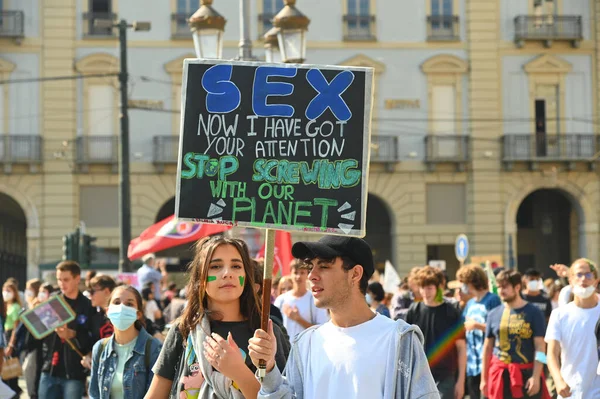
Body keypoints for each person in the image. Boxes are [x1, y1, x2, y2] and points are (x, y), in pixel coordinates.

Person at [248, 236, 439, 399]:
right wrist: (270, 368)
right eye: (311, 267)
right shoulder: (306, 343)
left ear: (355, 273)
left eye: (323, 266)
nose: (311, 276)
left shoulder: (400, 340)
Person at [146, 236, 290, 399]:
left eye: (236, 266)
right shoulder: (184, 330)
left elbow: (282, 394)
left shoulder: (266, 333)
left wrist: (239, 372)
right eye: (215, 266)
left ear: (246, 277)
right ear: (201, 279)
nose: (227, 273)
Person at [480, 270, 549, 399]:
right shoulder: (493, 314)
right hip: (499, 375)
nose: (501, 291)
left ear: (517, 287)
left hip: (527, 376)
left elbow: (541, 347)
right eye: (499, 287)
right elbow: (487, 348)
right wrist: (484, 379)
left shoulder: (534, 312)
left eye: (505, 286)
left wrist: (536, 376)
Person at [89, 285, 162, 399]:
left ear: (138, 314)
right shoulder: (100, 348)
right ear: (107, 311)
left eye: (129, 304)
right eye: (117, 302)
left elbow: (156, 394)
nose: (122, 307)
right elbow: (94, 393)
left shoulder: (153, 347)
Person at [406, 266, 466, 399]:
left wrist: (461, 381)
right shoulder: (413, 310)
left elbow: (461, 348)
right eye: (422, 287)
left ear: (439, 287)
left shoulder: (451, 312)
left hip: (446, 376)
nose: (425, 292)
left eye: (429, 288)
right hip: (419, 375)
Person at [38, 261, 95, 399]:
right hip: (50, 367)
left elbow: (93, 336)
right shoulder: (53, 301)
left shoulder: (87, 305)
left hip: (74, 371)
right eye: (59, 279)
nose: (62, 283)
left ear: (77, 279)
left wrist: (72, 334)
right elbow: (39, 333)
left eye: (66, 279)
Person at [546, 258, 600, 398]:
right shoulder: (559, 315)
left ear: (596, 281)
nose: (583, 279)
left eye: (588, 275)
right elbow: (552, 353)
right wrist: (558, 381)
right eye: (578, 275)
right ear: (570, 280)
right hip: (570, 391)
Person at [456, 264, 501, 399]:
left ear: (472, 282)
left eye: (464, 283)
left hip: (488, 360)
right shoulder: (470, 304)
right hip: (472, 363)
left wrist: (477, 325)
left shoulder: (492, 300)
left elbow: (498, 328)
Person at [274, 259, 329, 340]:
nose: (298, 277)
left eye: (302, 273)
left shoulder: (315, 298)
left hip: (307, 349)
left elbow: (322, 329)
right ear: (291, 274)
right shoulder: (281, 300)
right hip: (286, 350)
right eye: (295, 273)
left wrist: (298, 319)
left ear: (307, 274)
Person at [2, 281, 23, 396]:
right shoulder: (5, 306)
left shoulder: (16, 307)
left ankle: (14, 392)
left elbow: (16, 327)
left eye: (9, 291)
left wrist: (11, 344)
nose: (6, 293)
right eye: (4, 290)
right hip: (5, 335)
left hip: (11, 336)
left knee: (11, 369)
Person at [89, 275, 117, 343]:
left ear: (106, 291)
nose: (90, 295)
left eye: (93, 292)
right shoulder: (95, 318)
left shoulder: (121, 314)